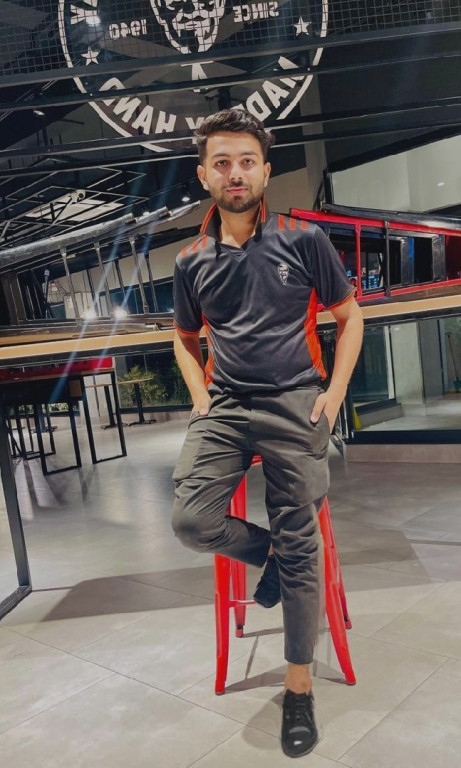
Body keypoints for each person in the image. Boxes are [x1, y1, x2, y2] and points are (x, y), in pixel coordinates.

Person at [171, 108, 364, 758]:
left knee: (302, 534)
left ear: (264, 171)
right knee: (191, 521)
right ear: (204, 174)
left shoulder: (302, 240)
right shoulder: (190, 260)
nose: (235, 173)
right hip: (226, 404)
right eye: (222, 162)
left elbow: (349, 317)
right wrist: (200, 396)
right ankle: (274, 556)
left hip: (295, 400)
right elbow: (183, 337)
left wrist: (334, 394)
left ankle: (299, 686)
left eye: (246, 162)